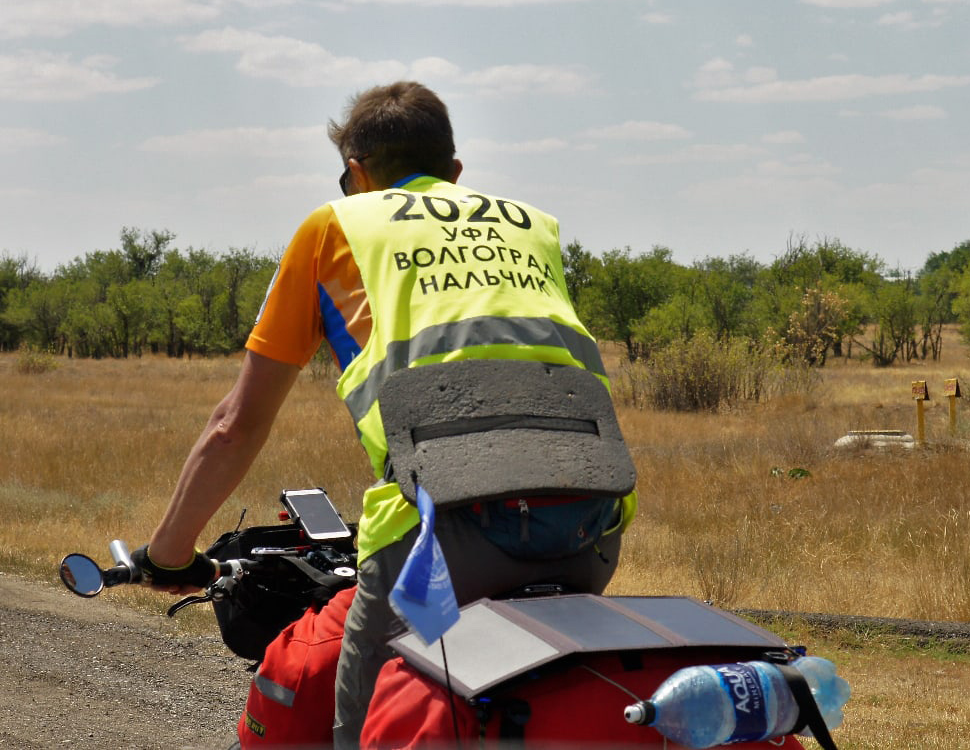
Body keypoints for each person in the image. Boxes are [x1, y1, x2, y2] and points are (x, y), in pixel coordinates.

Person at [134, 81, 635, 748]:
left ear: (357, 174)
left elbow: (237, 423)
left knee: (368, 724)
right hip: (591, 523)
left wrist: (167, 554)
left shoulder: (335, 227)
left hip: (440, 537)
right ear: (455, 172)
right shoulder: (533, 225)